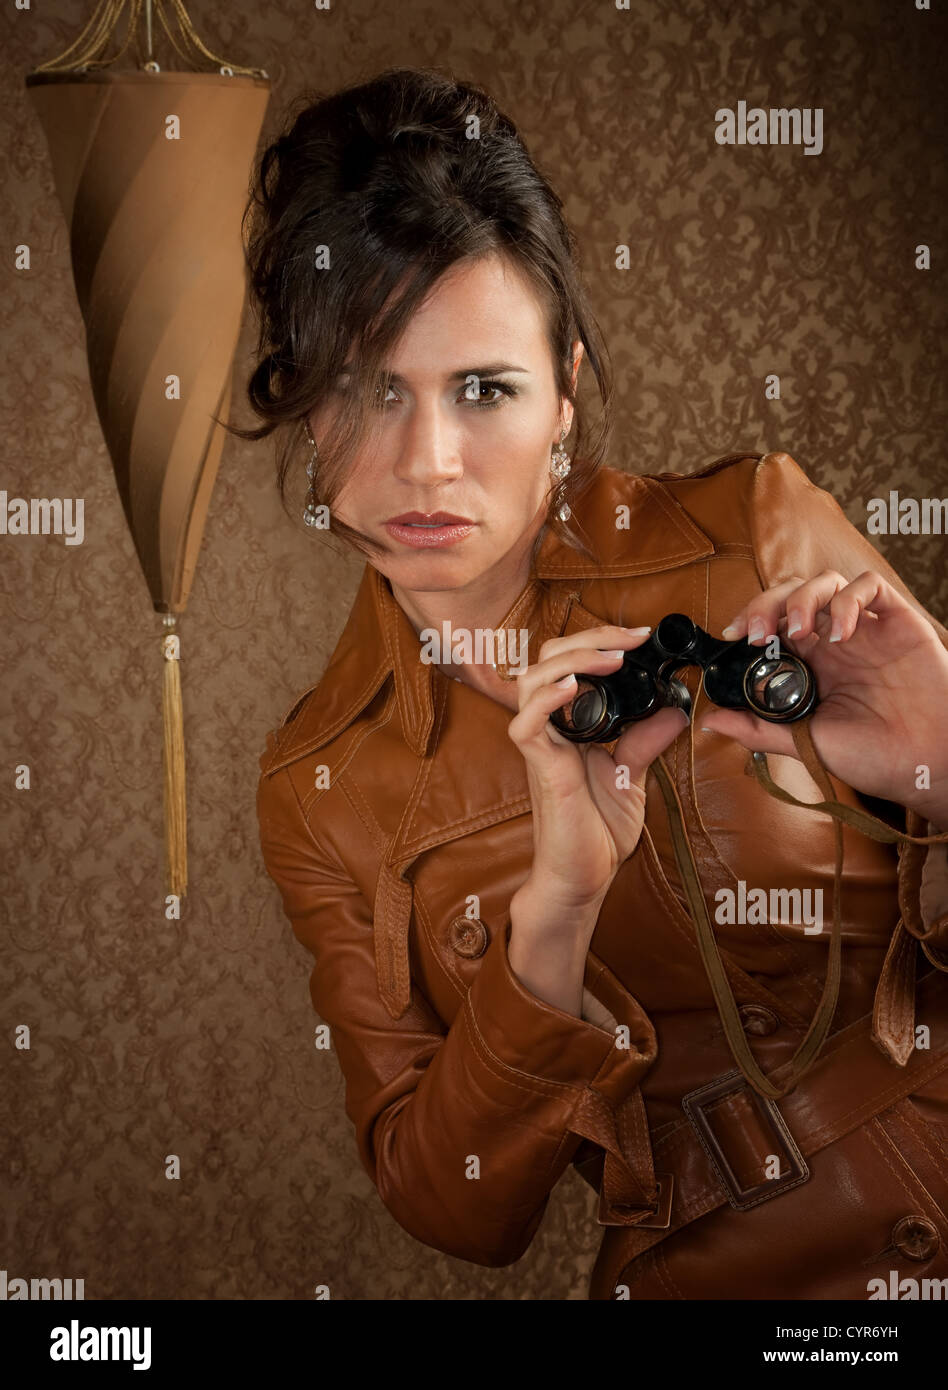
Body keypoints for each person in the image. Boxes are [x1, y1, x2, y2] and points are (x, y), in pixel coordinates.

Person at [240, 66, 948, 1299]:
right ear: (304, 410)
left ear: (564, 386)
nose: (428, 462)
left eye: (484, 389)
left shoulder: (757, 529)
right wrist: (554, 914)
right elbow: (455, 1204)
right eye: (366, 390)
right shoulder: (321, 785)